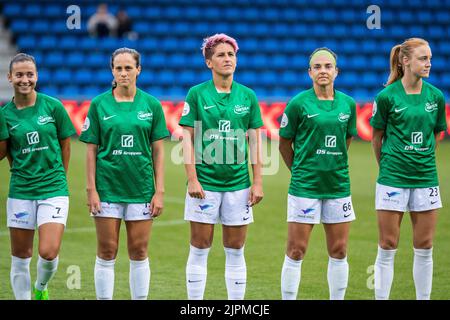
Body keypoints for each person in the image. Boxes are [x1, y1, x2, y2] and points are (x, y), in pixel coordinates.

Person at [79, 47, 169, 300]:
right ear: (112, 71)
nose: (123, 73)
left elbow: (159, 152)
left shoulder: (151, 104)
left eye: (128, 67)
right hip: (107, 189)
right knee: (107, 250)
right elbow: (90, 150)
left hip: (140, 189)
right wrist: (91, 189)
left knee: (139, 251)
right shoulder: (99, 104)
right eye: (118, 68)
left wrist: (158, 190)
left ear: (138, 70)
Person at [179, 33, 264, 300]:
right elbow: (187, 139)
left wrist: (258, 181)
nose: (227, 59)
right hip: (205, 184)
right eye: (221, 55)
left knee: (236, 248)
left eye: (231, 55)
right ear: (209, 62)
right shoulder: (196, 94)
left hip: (239, 184)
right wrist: (192, 178)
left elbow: (255, 142)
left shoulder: (248, 96)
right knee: (200, 247)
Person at [371, 38, 447, 300]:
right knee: (388, 245)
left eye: (430, 59)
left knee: (425, 246)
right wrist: (389, 166)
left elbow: (437, 133)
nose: (429, 64)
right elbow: (376, 137)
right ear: (405, 61)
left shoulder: (436, 96)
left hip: (426, 178)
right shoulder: (386, 97)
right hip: (392, 178)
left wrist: (422, 157)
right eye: (423, 58)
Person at [278, 48, 357, 300]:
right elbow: (284, 143)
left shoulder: (348, 104)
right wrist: (300, 171)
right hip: (305, 188)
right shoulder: (298, 103)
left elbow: (347, 139)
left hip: (338, 186)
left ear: (336, 71)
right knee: (296, 250)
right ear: (309, 72)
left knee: (340, 250)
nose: (323, 71)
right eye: (317, 67)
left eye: (328, 66)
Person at [2, 53, 76, 300]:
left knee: (48, 251)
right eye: (20, 75)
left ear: (37, 76)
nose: (25, 79)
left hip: (53, 188)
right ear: (10, 77)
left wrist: (60, 177)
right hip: (21, 190)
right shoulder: (5, 115)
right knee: (20, 257)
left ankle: (41, 288)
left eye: (30, 74)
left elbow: (66, 144)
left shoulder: (53, 106)